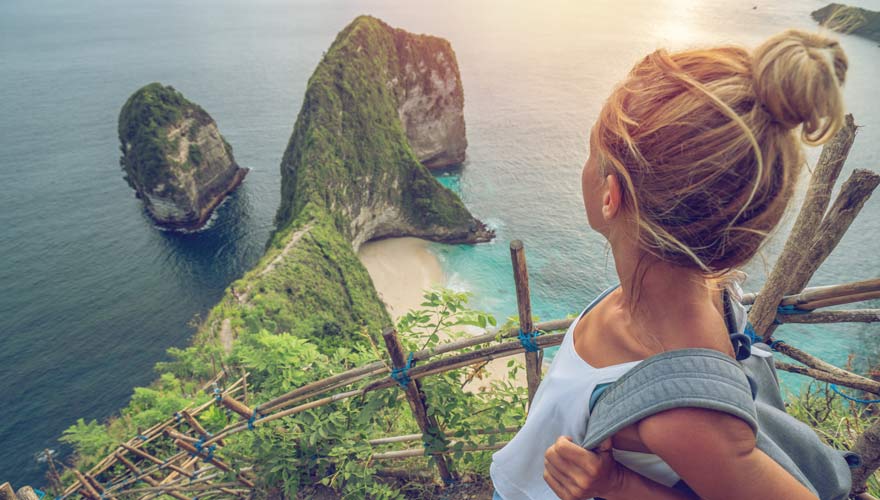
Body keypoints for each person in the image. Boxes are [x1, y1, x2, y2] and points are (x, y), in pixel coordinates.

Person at [490, 29, 848, 500]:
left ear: (610, 194)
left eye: (590, 154)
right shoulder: (698, 292)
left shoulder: (685, 419)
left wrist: (618, 486)